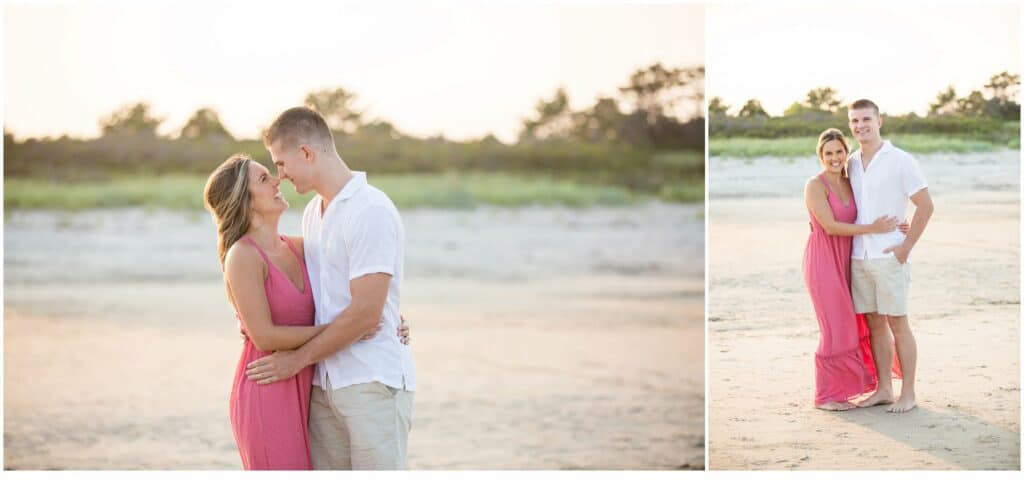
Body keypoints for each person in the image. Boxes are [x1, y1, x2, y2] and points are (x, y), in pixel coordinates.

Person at [203, 155, 408, 469]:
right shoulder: (242, 256)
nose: (277, 180)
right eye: (263, 179)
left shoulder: (300, 246)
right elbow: (265, 335)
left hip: (308, 384)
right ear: (244, 201)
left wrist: (390, 318)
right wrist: (349, 328)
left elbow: (354, 287)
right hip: (269, 382)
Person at [244, 107, 417, 470]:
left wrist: (296, 360)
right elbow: (277, 266)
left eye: (281, 163)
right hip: (325, 385)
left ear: (306, 153)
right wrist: (247, 315)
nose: (281, 176)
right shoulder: (312, 214)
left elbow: (366, 313)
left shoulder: (370, 210)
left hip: (371, 381)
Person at [803, 128, 902, 411]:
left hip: (850, 259)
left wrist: (899, 226)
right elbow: (831, 227)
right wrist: (872, 228)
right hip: (823, 260)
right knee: (835, 326)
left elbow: (875, 208)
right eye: (829, 153)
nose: (835, 158)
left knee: (853, 323)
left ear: (847, 153)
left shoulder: (852, 181)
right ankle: (825, 396)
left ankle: (847, 389)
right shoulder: (815, 185)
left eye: (839, 152)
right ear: (821, 156)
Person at [846, 99, 933, 413]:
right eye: (854, 121)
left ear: (879, 121)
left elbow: (926, 206)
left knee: (898, 323)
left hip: (889, 256)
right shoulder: (851, 162)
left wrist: (906, 247)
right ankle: (884, 389)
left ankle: (907, 393)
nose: (860, 126)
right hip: (860, 257)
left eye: (866, 119)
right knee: (874, 325)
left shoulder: (901, 160)